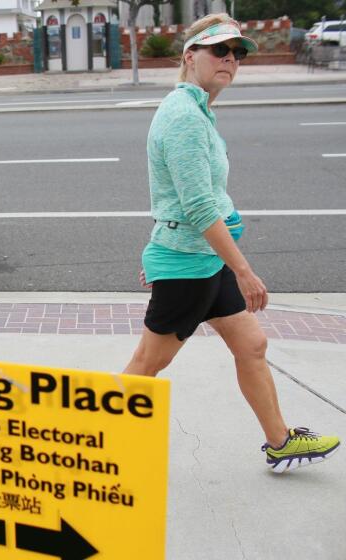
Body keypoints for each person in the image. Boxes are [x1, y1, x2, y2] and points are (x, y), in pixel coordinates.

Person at [122, 13, 339, 474]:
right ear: (190, 56)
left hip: (202, 260)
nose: (230, 60)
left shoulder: (199, 109)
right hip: (188, 265)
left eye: (236, 53)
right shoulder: (183, 116)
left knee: (252, 344)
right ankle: (87, 449)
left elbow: (178, 197)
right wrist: (243, 269)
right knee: (144, 367)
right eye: (219, 50)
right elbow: (199, 207)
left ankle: (280, 442)